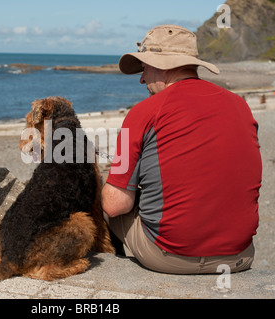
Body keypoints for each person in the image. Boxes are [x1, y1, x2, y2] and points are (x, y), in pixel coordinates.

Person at [101, 25, 262, 274]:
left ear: (164, 66)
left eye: (144, 69)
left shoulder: (142, 112)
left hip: (169, 257)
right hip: (239, 257)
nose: (142, 79)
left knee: (105, 196)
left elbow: (114, 205)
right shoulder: (241, 106)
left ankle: (110, 268)